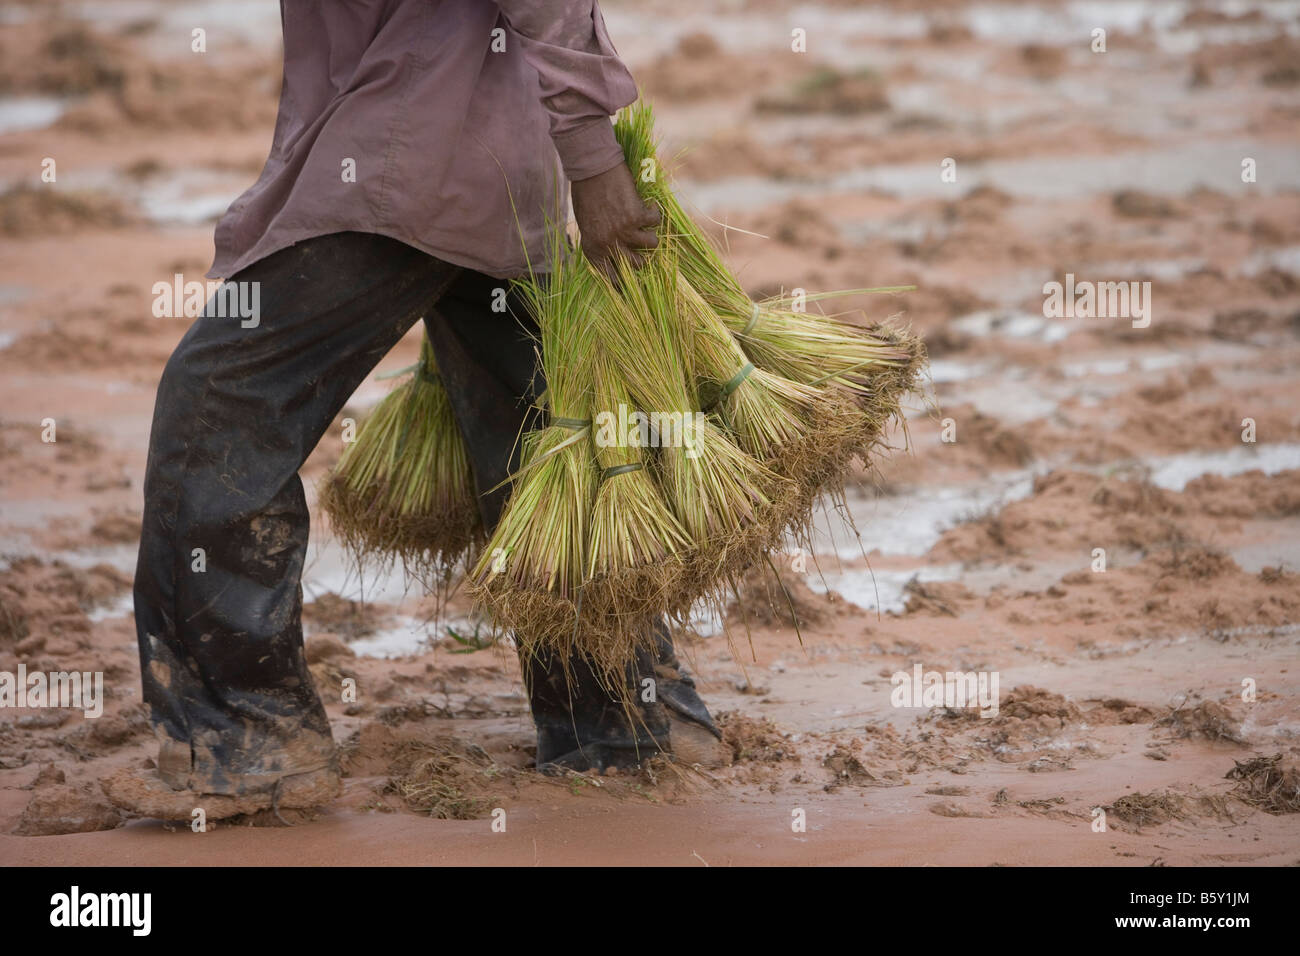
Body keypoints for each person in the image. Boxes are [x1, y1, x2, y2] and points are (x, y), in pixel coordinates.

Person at [103, 0, 725, 821]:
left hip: (408, 157)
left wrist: (596, 161)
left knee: (220, 402)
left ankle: (245, 741)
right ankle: (625, 719)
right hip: (493, 162)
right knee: (542, 436)